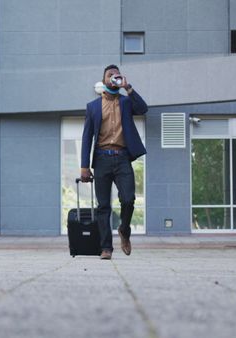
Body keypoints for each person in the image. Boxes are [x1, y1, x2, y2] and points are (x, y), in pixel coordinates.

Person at [80, 64, 148, 260]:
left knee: (128, 199)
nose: (113, 77)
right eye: (110, 75)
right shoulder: (93, 107)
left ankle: (124, 230)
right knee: (103, 206)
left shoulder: (126, 102)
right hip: (101, 158)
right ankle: (106, 248)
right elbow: (87, 137)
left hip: (122, 158)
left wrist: (128, 87)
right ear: (104, 81)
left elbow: (143, 109)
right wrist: (84, 166)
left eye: (116, 75)